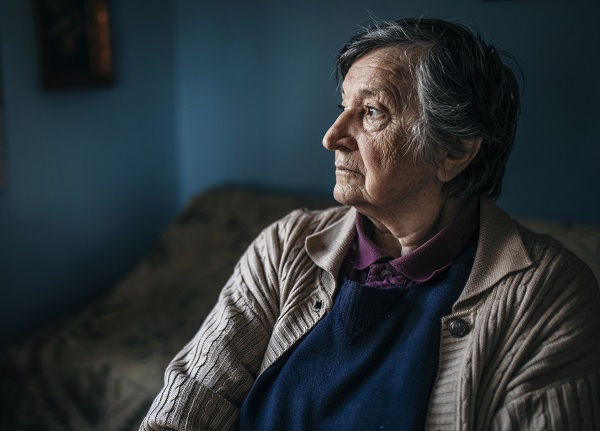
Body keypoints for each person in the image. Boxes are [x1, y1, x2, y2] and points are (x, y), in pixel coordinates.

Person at [141, 17, 600, 431]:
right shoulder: (285, 247)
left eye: (372, 112)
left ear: (455, 151)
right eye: (343, 107)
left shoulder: (548, 298)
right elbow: (188, 404)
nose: (332, 137)